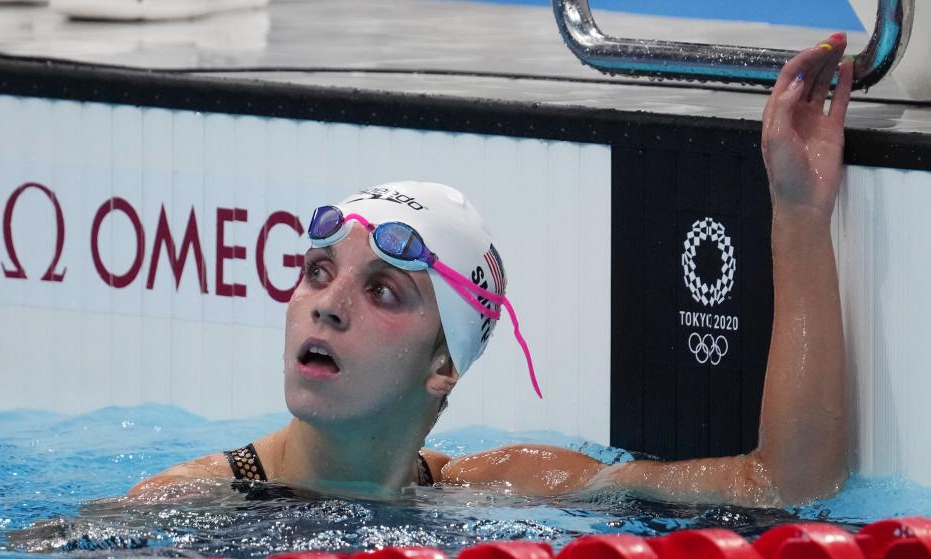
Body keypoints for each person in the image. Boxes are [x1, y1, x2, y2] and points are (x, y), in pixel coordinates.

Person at [131, 33, 852, 508]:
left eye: (382, 289)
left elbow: (786, 487)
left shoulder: (501, 485)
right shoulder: (179, 506)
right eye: (318, 272)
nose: (326, 305)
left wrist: (796, 214)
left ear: (442, 363)